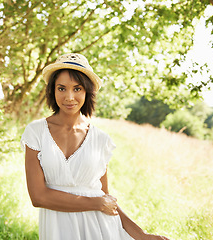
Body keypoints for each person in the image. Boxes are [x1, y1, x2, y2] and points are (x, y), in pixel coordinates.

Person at [21, 53, 170, 240]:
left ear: (87, 92)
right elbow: (39, 197)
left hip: (100, 230)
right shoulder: (36, 132)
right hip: (57, 230)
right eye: (61, 88)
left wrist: (141, 235)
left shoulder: (101, 139)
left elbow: (105, 198)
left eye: (77, 88)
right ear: (53, 91)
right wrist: (96, 203)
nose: (69, 97)